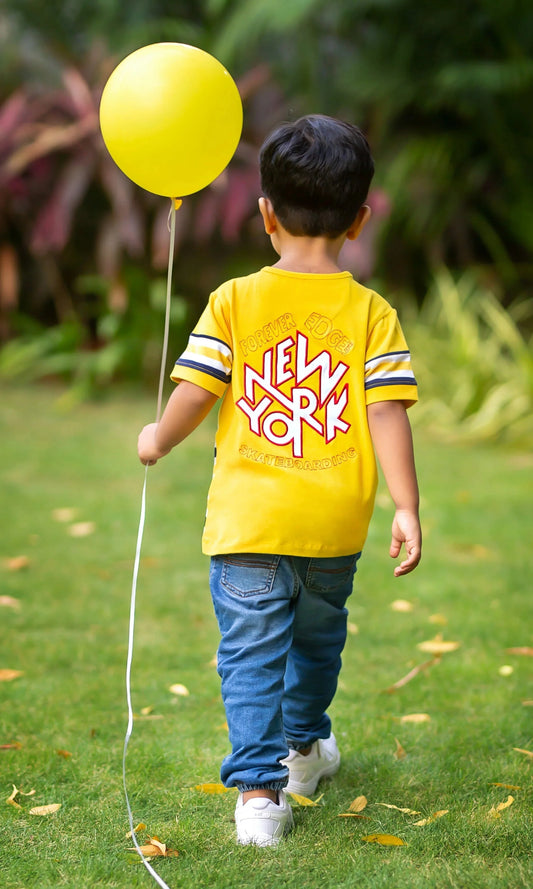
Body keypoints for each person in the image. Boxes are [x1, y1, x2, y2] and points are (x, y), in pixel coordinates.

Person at [137, 114, 421, 848]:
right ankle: (300, 751)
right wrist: (406, 505)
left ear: (264, 214)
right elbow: (387, 407)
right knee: (318, 644)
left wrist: (156, 437)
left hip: (247, 525)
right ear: (359, 219)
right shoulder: (372, 313)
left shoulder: (233, 301)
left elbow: (197, 391)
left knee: (251, 655)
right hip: (333, 525)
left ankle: (260, 795)